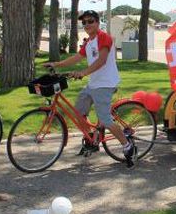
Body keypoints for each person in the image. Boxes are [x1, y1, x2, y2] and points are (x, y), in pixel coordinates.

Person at [44, 10, 137, 167]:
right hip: (93, 83)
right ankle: (93, 137)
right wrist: (56, 64)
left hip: (105, 84)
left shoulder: (104, 38)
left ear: (97, 22)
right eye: (84, 22)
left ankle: (128, 146)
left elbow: (101, 60)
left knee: (106, 119)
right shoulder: (88, 42)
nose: (87, 24)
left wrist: (83, 72)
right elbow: (77, 57)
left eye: (90, 21)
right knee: (78, 112)